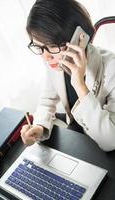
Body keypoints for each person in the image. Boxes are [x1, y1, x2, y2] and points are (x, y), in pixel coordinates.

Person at [21, 0, 115, 151]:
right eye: (39, 47)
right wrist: (39, 126)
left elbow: (110, 141)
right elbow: (47, 100)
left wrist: (80, 85)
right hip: (78, 138)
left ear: (80, 39)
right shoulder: (54, 60)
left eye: (53, 46)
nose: (45, 57)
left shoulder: (111, 69)